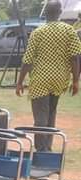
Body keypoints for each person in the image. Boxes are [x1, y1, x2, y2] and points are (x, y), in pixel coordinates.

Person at [16, 0, 81, 151]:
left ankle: (41, 150)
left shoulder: (38, 33)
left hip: (40, 80)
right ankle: (47, 148)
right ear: (60, 13)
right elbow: (75, 57)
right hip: (60, 80)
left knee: (41, 116)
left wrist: (20, 82)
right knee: (51, 114)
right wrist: (76, 80)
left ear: (45, 13)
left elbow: (28, 60)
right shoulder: (69, 31)